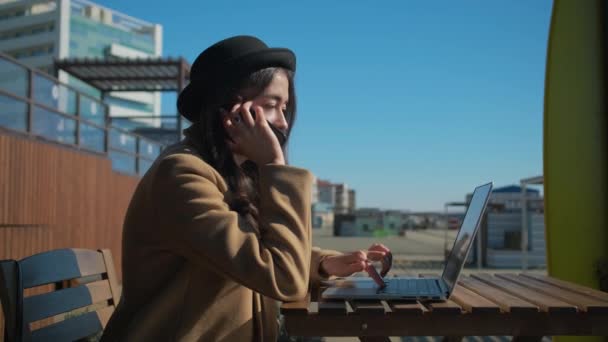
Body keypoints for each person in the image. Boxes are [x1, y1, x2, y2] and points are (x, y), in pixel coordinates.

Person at [100, 35, 390, 342]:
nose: (283, 123)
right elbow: (281, 277)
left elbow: (256, 252)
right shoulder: (181, 176)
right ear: (231, 113)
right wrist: (275, 167)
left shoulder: (230, 173)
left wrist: (323, 264)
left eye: (285, 107)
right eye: (271, 105)